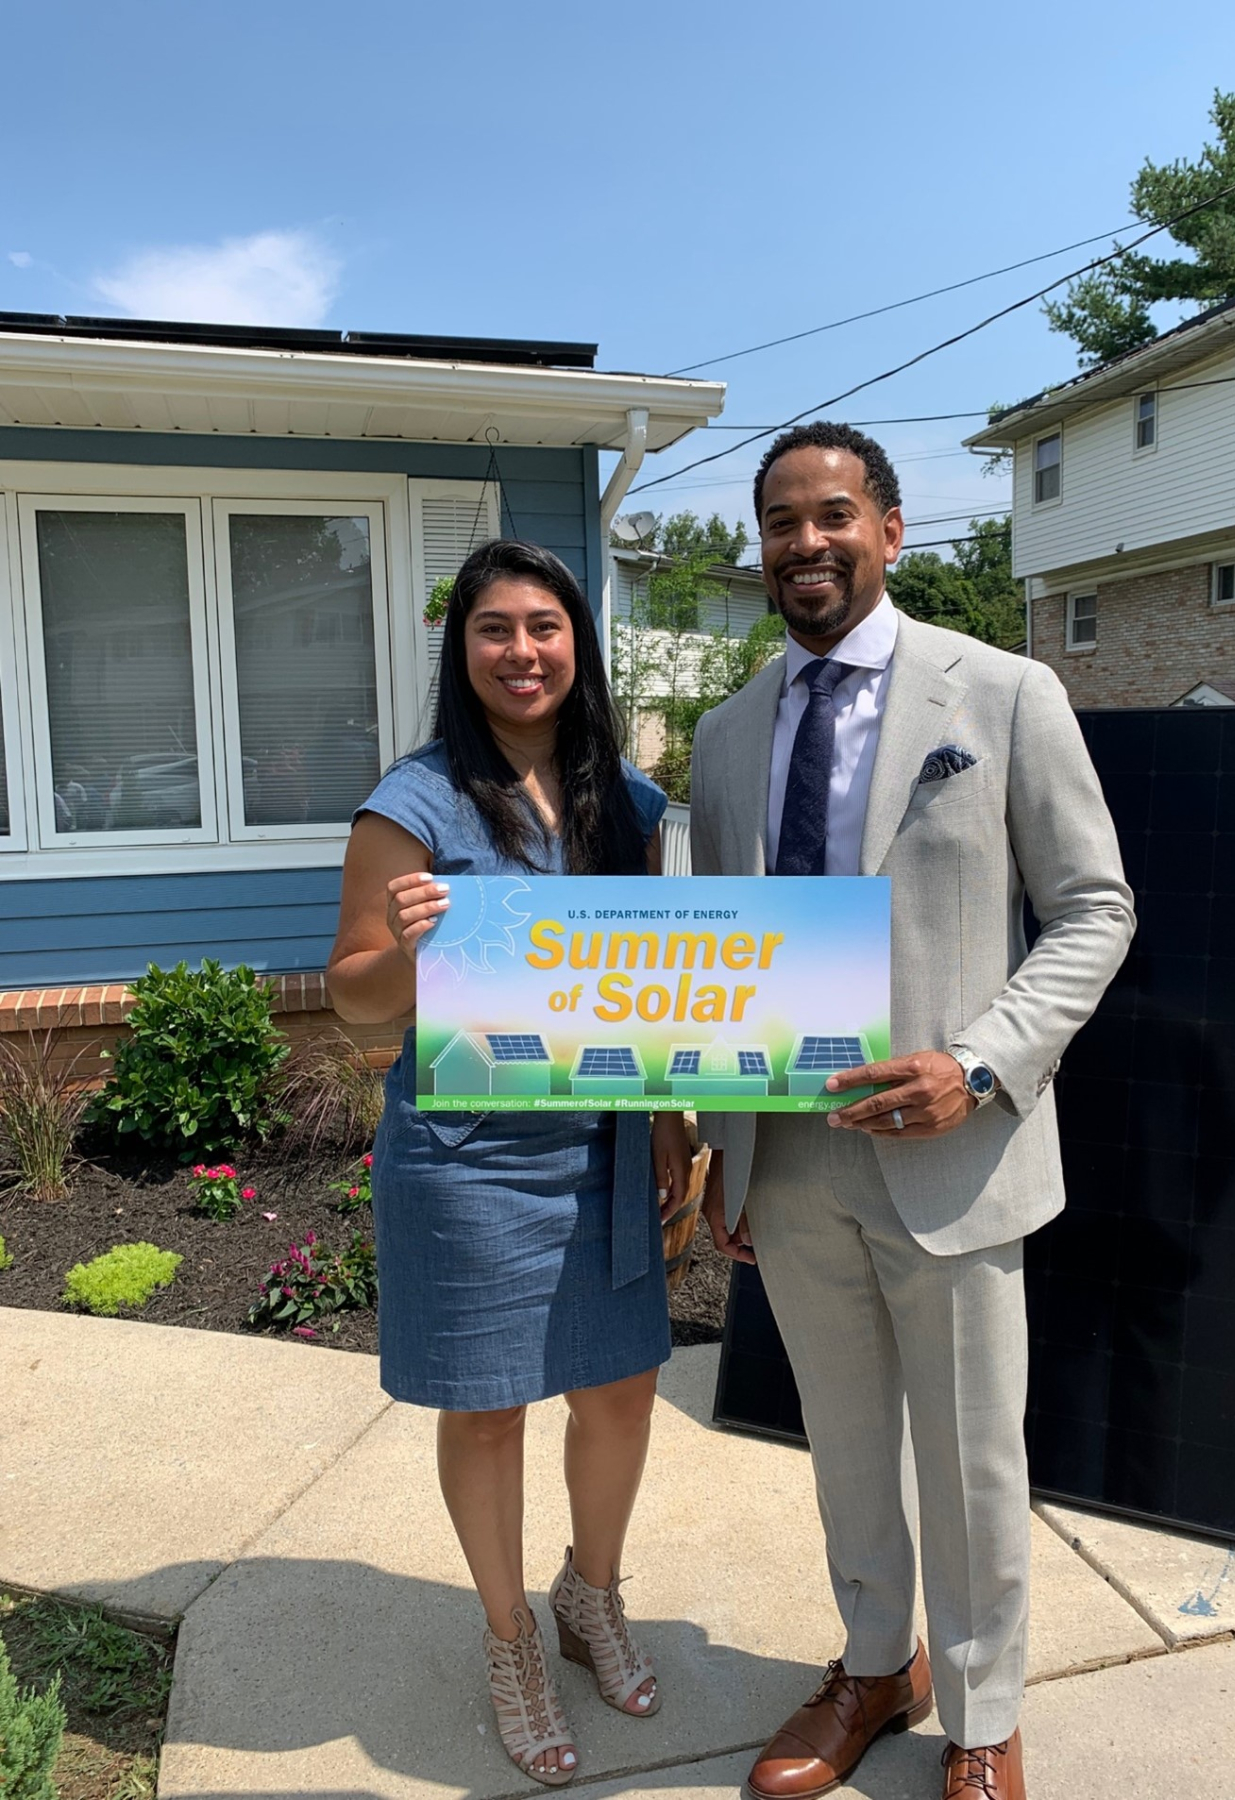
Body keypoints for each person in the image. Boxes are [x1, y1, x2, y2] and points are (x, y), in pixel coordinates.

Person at [690, 424, 1134, 1800]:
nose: (802, 544)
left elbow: (1092, 910)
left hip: (954, 1151)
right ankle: (876, 1662)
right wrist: (719, 1151)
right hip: (791, 1155)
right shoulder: (723, 733)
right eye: (777, 522)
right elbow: (718, 951)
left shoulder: (1000, 694)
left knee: (967, 1455)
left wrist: (982, 1062)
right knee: (840, 1444)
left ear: (888, 530)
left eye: (830, 515)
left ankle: (983, 1713)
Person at [327, 538, 691, 1788]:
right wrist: (420, 952)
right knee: (487, 1411)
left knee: (623, 1391)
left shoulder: (627, 800)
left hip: (601, 1138)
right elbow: (352, 1003)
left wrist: (670, 1121)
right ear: (462, 648)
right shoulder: (412, 803)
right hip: (471, 1157)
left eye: (545, 625)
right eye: (495, 628)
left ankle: (591, 1594)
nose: (522, 650)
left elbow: (660, 985)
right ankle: (509, 1640)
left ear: (577, 642)